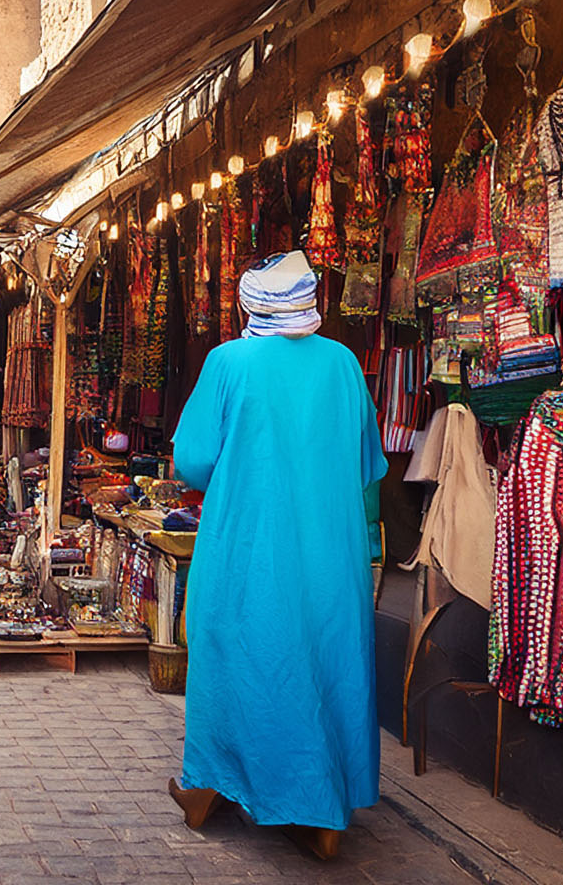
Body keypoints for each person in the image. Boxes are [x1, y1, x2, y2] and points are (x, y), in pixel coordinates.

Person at [167, 250, 387, 860]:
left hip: (248, 546)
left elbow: (192, 461)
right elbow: (369, 463)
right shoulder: (344, 363)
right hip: (331, 554)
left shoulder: (229, 362)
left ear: (251, 304)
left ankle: (212, 785)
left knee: (232, 648)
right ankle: (322, 812)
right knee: (321, 657)